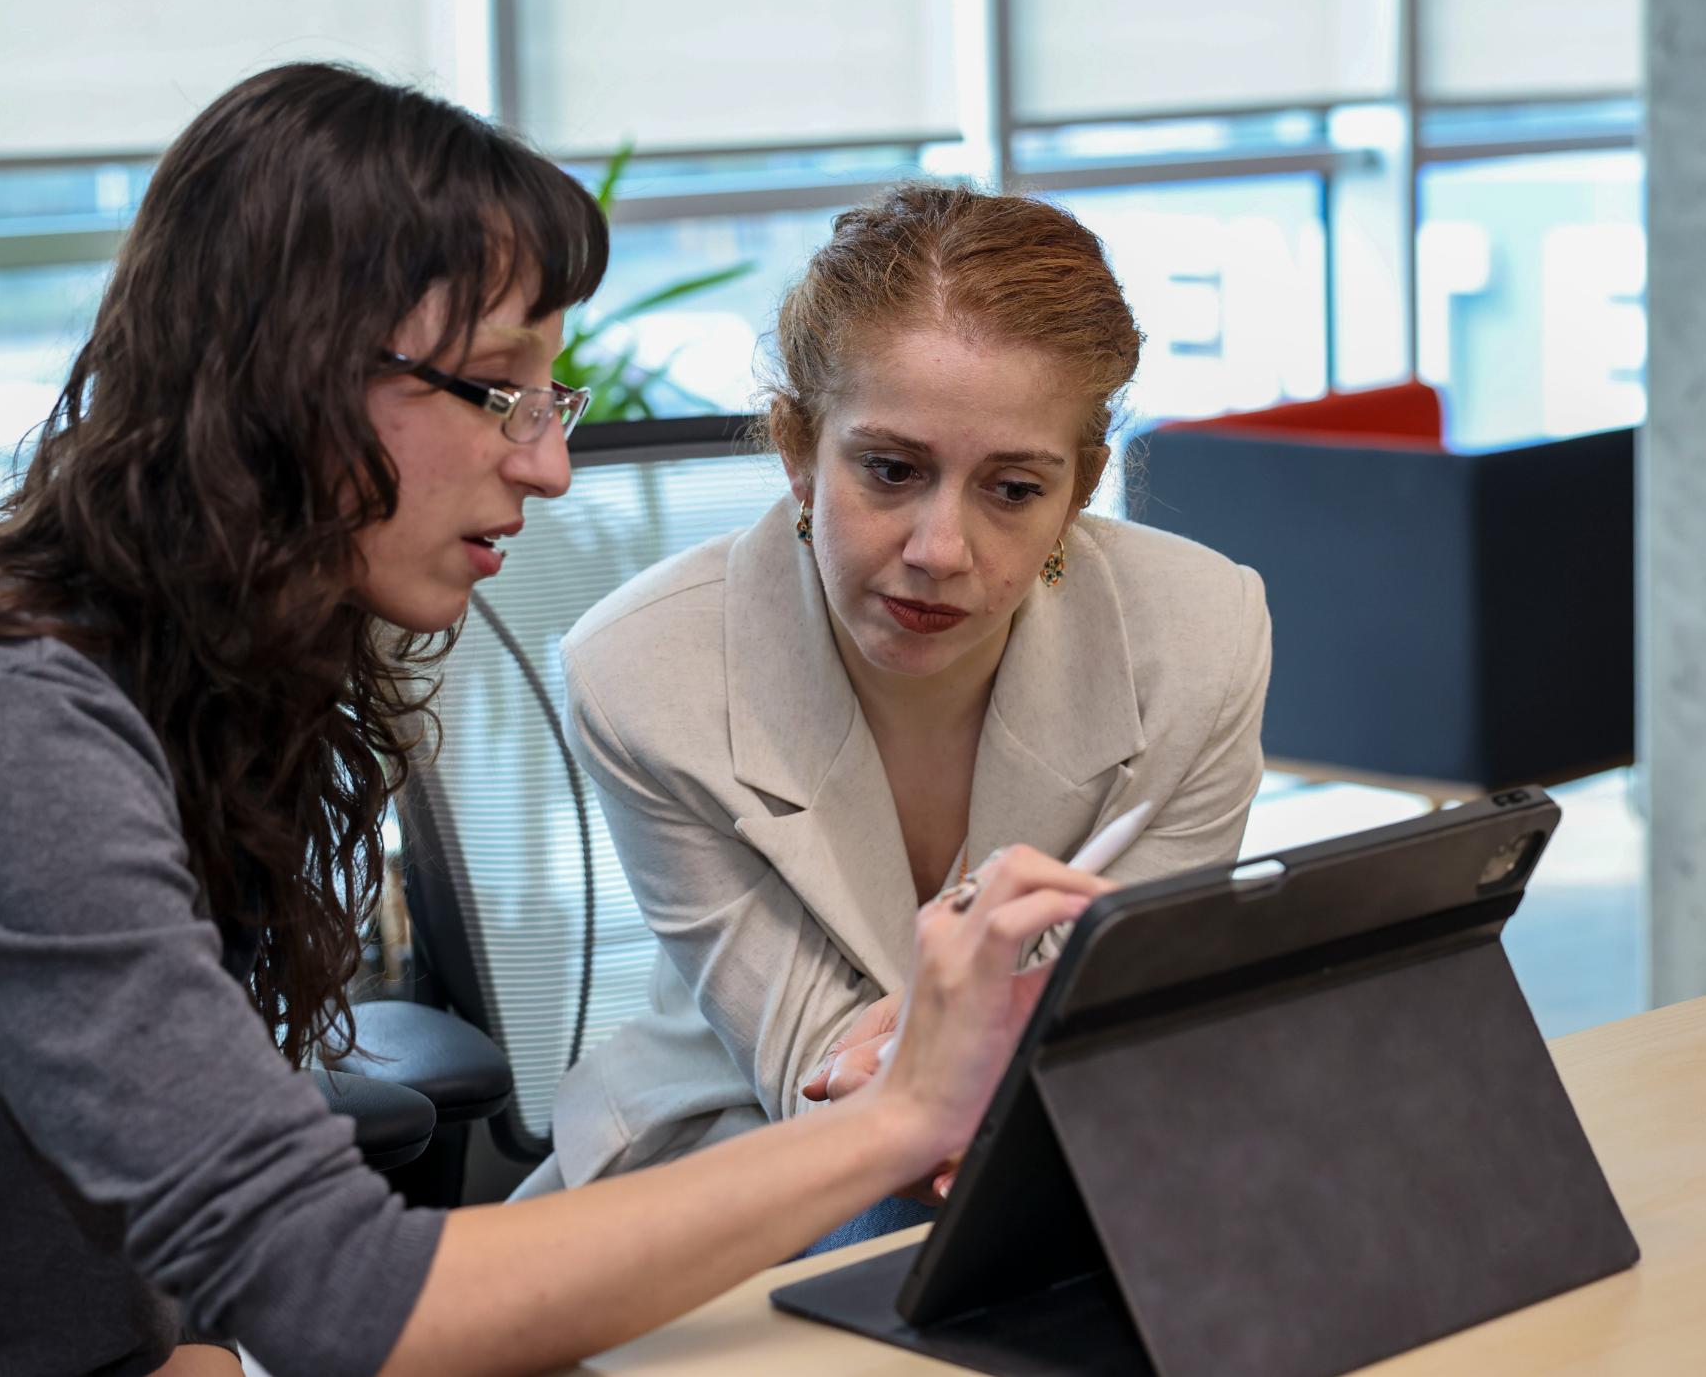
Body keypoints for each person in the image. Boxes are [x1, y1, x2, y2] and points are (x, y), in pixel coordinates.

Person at [0, 65, 1108, 1377]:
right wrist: (901, 1114)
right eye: (495, 389)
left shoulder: (200, 672)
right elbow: (345, 1301)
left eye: (548, 396)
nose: (548, 461)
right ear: (287, 376)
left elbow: (165, 1217)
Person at [517, 184, 1272, 1248]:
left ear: (1080, 487)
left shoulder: (1200, 634)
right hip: (733, 1148)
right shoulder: (644, 672)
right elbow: (815, 1070)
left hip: (1050, 1146)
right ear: (797, 444)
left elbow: (1116, 1022)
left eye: (1013, 488)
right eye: (890, 470)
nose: (939, 550)